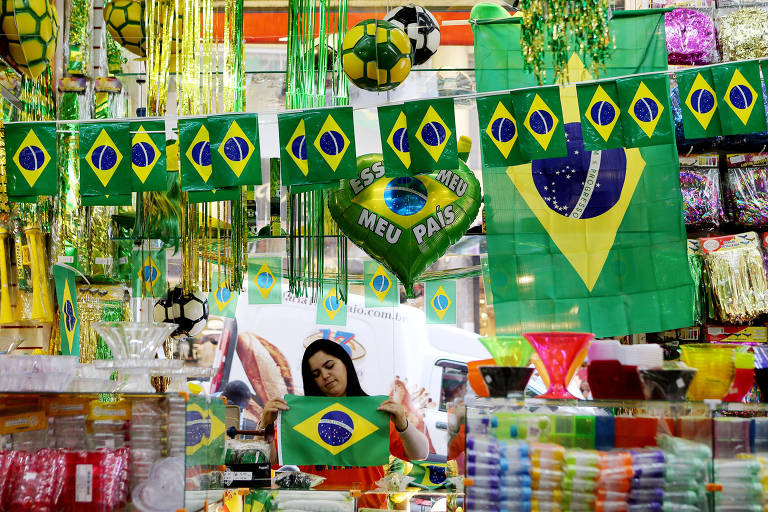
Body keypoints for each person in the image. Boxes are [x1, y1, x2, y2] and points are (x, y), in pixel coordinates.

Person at [259, 338, 429, 509]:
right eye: (316, 374)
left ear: (346, 363)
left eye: (330, 366)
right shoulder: (302, 416)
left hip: (367, 508)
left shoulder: (374, 412)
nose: (325, 375)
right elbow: (270, 460)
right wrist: (265, 426)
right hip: (320, 507)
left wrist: (403, 423)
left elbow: (420, 453)